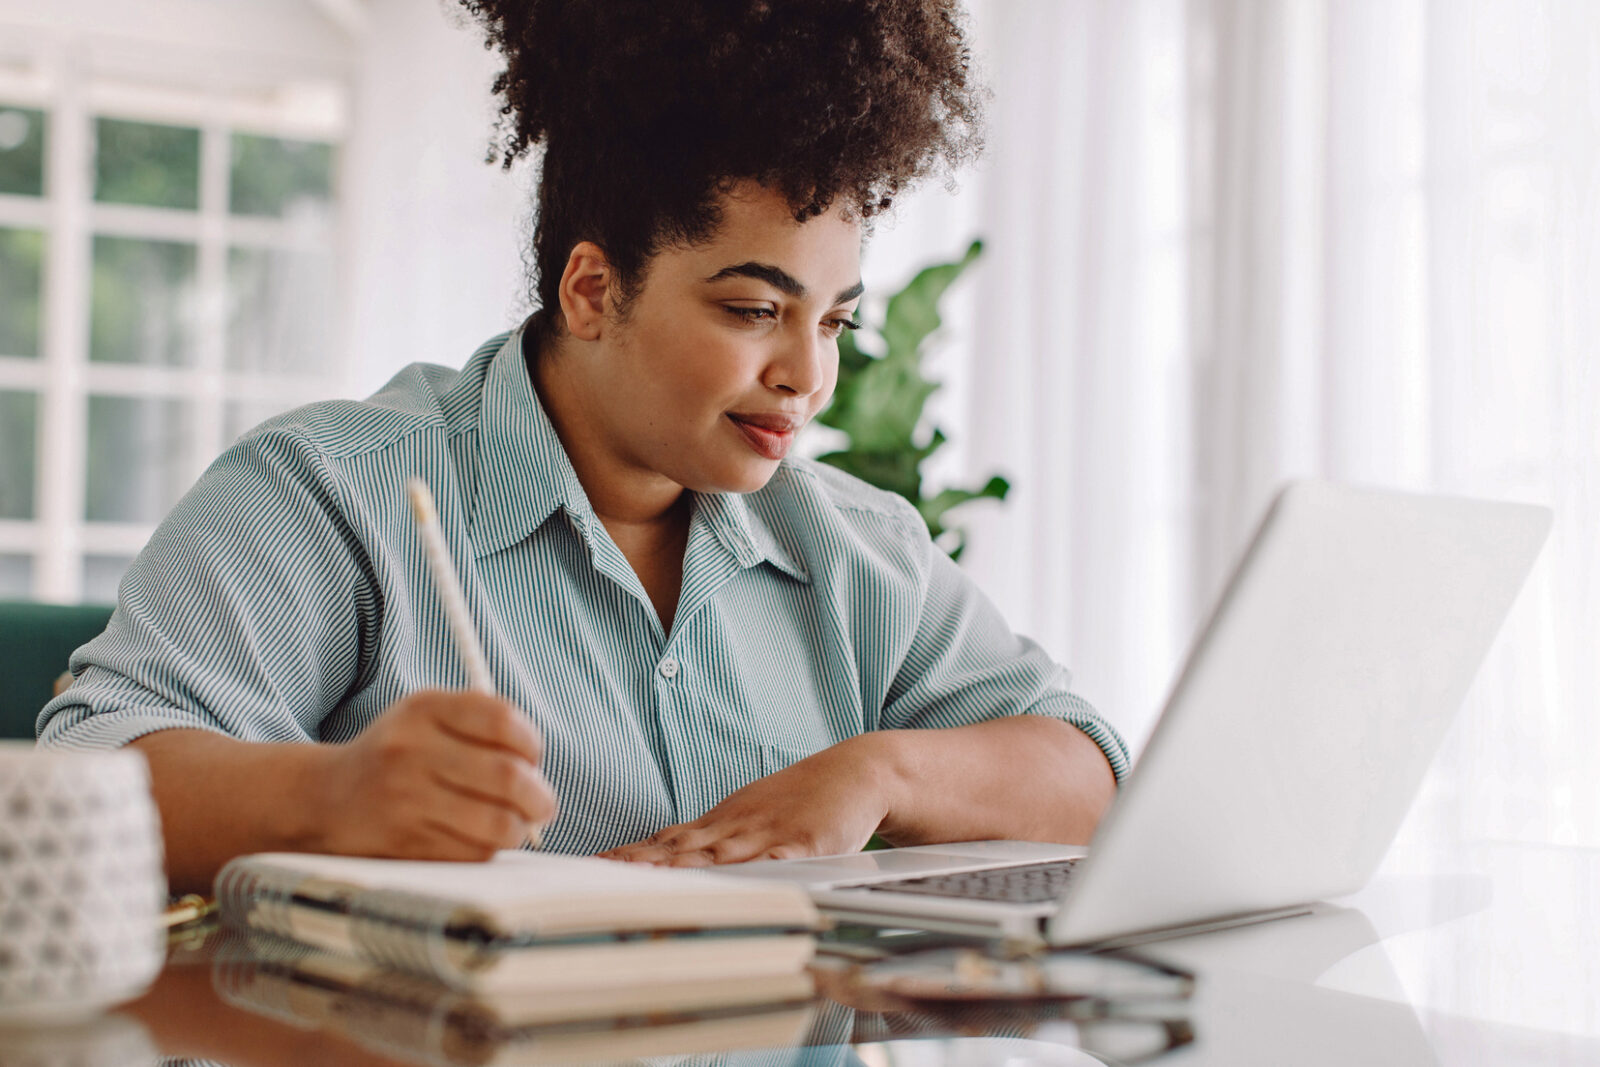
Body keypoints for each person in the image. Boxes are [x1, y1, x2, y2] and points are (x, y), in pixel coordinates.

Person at [38, 0, 1128, 895]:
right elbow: (81, 780)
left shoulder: (858, 549)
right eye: (755, 308)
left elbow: (1090, 778)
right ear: (594, 289)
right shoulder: (332, 492)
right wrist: (331, 795)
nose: (808, 373)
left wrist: (876, 770)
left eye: (834, 319)